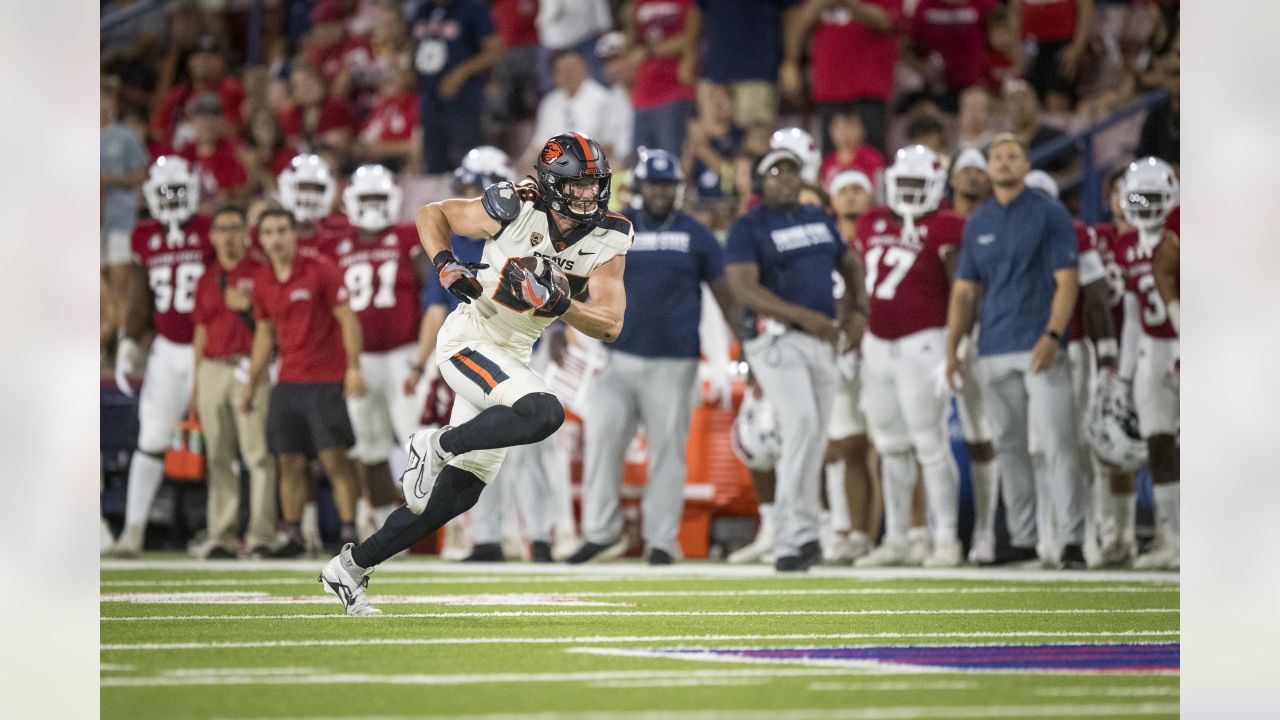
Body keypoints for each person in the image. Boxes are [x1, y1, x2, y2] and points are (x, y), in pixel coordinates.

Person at [319, 132, 632, 615]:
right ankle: (435, 444)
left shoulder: (610, 235)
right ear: (550, 183)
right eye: (578, 185)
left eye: (595, 185)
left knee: (452, 498)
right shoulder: (515, 204)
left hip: (514, 353)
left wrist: (561, 303)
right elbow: (433, 214)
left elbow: (610, 323)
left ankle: (350, 567)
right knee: (544, 412)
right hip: (472, 338)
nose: (589, 195)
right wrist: (445, 263)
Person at [572, 149, 738, 565]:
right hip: (618, 355)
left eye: (667, 185)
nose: (661, 192)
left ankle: (663, 540)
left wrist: (745, 341)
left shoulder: (696, 234)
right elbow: (575, 277)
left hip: (674, 361)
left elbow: (723, 293)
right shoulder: (612, 229)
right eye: (654, 185)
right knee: (602, 441)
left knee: (668, 451)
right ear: (640, 187)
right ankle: (601, 533)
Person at [944, 133, 1086, 568]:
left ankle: (1072, 540)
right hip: (993, 346)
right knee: (1008, 445)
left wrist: (1052, 335)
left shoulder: (1049, 213)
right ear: (988, 169)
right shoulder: (979, 221)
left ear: (1026, 165)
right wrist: (953, 348)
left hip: (1038, 343)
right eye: (997, 158)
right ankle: (1022, 538)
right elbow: (965, 292)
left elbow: (1068, 281)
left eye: (1012, 156)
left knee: (1059, 444)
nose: (1004, 163)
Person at [725, 149, 868, 572]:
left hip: (822, 340)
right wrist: (804, 316)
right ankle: (788, 537)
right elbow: (744, 288)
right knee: (802, 425)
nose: (786, 179)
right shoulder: (748, 226)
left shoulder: (818, 217)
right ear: (758, 182)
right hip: (776, 338)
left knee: (814, 435)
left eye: (792, 170)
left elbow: (850, 261)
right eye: (775, 172)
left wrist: (860, 310)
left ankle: (805, 535)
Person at [850, 146, 964, 568]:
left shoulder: (949, 225)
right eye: (906, 183)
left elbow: (963, 288)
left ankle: (947, 537)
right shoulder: (871, 221)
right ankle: (897, 537)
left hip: (926, 342)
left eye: (920, 184)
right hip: (877, 344)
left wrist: (960, 343)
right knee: (891, 445)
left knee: (930, 444)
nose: (912, 192)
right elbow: (858, 279)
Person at [104, 157, 214, 558]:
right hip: (167, 348)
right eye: (164, 191)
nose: (171, 199)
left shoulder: (208, 230)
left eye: (178, 191)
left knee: (222, 444)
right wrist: (129, 339)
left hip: (213, 347)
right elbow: (139, 294)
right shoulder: (144, 235)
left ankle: (224, 532)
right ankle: (132, 531)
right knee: (151, 438)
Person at [243, 208, 366, 558]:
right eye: (269, 232)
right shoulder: (263, 279)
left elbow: (347, 319)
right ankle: (294, 534)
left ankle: (348, 532)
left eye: (282, 230)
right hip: (288, 380)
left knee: (334, 460)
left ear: (294, 233)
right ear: (261, 238)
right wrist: (253, 383)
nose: (276, 238)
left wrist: (353, 368)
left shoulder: (320, 269)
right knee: (289, 462)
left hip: (325, 378)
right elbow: (265, 334)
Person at [325, 165, 429, 542]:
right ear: (351, 202)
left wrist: (423, 357)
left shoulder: (406, 237)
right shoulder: (336, 243)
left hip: (404, 354)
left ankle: (446, 525)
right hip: (360, 361)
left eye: (378, 198)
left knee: (419, 441)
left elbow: (429, 290)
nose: (371, 206)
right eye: (365, 198)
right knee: (369, 447)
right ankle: (389, 531)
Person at [1022, 169, 1120, 566]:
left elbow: (1096, 296)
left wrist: (1107, 352)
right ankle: (1047, 536)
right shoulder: (1008, 236)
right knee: (1038, 449)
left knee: (1075, 445)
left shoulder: (1074, 235)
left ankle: (1088, 534)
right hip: (1020, 347)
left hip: (1070, 347)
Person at [190, 205, 276, 559]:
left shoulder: (261, 273)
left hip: (248, 365)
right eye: (221, 228)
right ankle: (222, 535)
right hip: (213, 367)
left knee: (257, 456)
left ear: (245, 232)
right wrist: (196, 385)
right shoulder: (206, 278)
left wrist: (245, 310)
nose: (227, 235)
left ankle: (260, 536)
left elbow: (271, 330)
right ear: (212, 236)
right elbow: (200, 331)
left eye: (234, 227)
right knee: (219, 458)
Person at [1112, 156, 1180, 570]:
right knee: (1158, 442)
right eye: (1138, 196)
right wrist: (1123, 375)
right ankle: (1172, 536)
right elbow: (1134, 317)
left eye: (1154, 196)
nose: (1146, 205)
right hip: (1153, 350)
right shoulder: (1125, 245)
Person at [941, 147, 1000, 564]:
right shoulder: (937, 224)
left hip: (991, 334)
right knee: (920, 439)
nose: (973, 178)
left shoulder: (1003, 219)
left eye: (981, 170)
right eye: (966, 170)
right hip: (933, 338)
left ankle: (986, 530)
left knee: (984, 436)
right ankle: (930, 533)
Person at [823, 169, 879, 563]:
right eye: (844, 190)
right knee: (845, 446)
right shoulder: (824, 240)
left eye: (859, 189)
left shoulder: (883, 234)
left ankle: (910, 533)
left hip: (883, 346)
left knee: (892, 447)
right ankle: (848, 529)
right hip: (842, 351)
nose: (852, 197)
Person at [782, 0, 903, 156]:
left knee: (870, 157)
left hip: (869, 90)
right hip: (829, 87)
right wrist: (791, 61)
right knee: (832, 158)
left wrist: (849, 3)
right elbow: (798, 21)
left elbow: (885, 21)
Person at [411, 0, 504, 173]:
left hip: (463, 100)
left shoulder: (472, 8)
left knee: (468, 162)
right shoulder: (422, 10)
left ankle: (470, 199)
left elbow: (495, 50)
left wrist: (461, 73)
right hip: (429, 100)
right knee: (432, 163)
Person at [694, 0, 800, 127]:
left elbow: (791, 12)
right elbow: (698, 9)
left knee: (755, 141)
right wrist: (689, 51)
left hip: (758, 71)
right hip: (715, 71)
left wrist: (791, 60)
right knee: (711, 141)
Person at [101, 75, 151, 348]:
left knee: (121, 279)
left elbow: (141, 175)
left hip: (120, 216)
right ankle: (103, 338)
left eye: (105, 97)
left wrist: (106, 179)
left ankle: (121, 342)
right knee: (97, 285)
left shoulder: (125, 136)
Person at [521, 50, 621, 169]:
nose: (567, 75)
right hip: (555, 168)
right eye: (561, 72)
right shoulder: (549, 102)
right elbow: (539, 144)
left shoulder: (602, 98)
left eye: (572, 70)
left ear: (585, 70)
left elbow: (610, 144)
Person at [624, 0, 700, 158]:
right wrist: (629, 24)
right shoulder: (639, 3)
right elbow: (630, 50)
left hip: (674, 91)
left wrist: (648, 51)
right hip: (643, 95)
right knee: (640, 166)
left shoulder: (687, 2)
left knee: (672, 162)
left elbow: (689, 39)